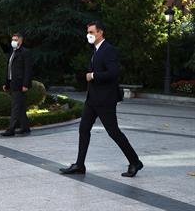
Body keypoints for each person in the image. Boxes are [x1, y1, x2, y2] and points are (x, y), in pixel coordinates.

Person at [59, 21, 143, 177]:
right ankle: (79, 164)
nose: (88, 35)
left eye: (91, 32)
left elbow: (113, 73)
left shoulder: (108, 50)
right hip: (92, 100)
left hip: (105, 100)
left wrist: (93, 75)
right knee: (83, 129)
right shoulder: (97, 50)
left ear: (100, 33)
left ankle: (135, 161)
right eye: (88, 32)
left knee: (114, 132)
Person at [2, 33, 33, 137]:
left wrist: (25, 84)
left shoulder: (25, 52)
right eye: (12, 39)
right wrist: (6, 83)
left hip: (20, 84)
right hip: (12, 83)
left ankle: (11, 129)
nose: (13, 41)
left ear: (20, 41)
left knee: (15, 107)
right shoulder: (12, 52)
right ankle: (25, 127)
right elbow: (9, 69)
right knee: (21, 106)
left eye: (15, 39)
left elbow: (28, 70)